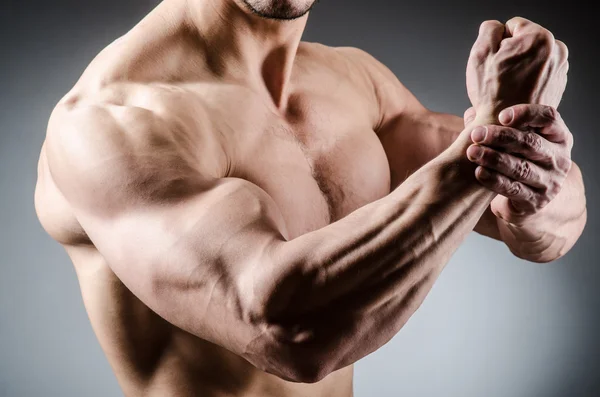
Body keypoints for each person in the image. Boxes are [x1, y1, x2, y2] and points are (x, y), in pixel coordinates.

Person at [34, 0, 587, 396]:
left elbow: (555, 226)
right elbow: (284, 329)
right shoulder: (114, 119)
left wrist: (525, 159)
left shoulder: (354, 82)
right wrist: (489, 147)